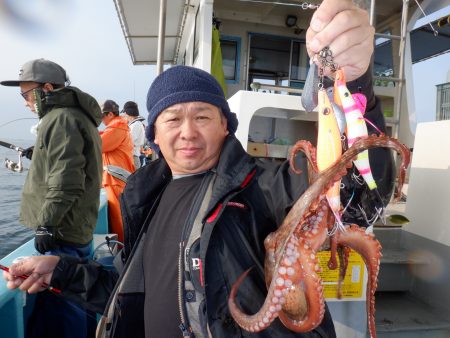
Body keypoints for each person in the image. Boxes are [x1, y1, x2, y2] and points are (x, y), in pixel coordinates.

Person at [3, 1, 395, 337]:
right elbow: (131, 290)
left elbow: (360, 196)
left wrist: (355, 85)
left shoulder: (263, 186)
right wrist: (61, 271)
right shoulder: (146, 197)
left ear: (225, 125)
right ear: (154, 133)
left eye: (203, 116)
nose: (187, 132)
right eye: (172, 119)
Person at [0, 58, 102, 338]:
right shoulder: (73, 116)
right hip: (76, 225)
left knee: (63, 307)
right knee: (76, 299)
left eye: (26, 94)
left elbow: (66, 179)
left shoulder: (61, 119)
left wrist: (46, 224)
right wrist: (41, 151)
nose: (24, 102)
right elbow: (66, 162)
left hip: (62, 230)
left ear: (46, 88)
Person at [99, 99, 135, 242]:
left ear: (109, 115)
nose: (100, 119)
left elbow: (98, 144)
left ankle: (123, 249)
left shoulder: (117, 126)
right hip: (115, 179)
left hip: (115, 179)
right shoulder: (118, 126)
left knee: (119, 218)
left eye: (101, 116)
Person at [122, 101, 146, 169]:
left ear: (127, 113)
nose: (124, 115)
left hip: (132, 157)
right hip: (132, 157)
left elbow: (127, 141)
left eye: (124, 113)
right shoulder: (136, 124)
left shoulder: (135, 125)